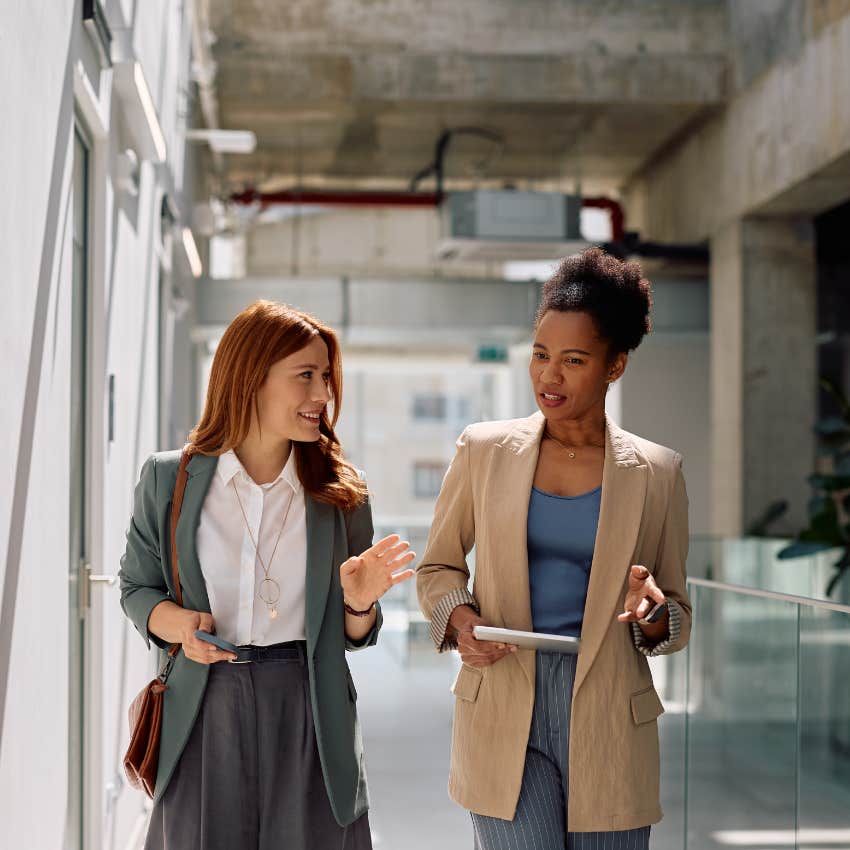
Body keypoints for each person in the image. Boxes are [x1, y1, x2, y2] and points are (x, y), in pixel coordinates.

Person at [417, 248, 691, 849]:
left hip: (611, 717)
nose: (549, 376)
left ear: (614, 365)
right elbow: (438, 566)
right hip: (502, 701)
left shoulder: (658, 473)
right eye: (540, 355)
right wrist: (462, 621)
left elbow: (675, 611)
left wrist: (649, 613)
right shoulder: (483, 451)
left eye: (573, 360)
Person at [119, 300, 414, 850]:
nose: (322, 395)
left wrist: (358, 603)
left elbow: (356, 635)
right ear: (251, 376)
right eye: (305, 376)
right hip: (205, 708)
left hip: (307, 707)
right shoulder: (169, 479)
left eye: (325, 377)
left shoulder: (342, 492)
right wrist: (180, 624)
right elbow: (137, 587)